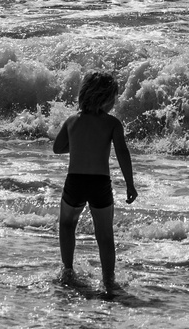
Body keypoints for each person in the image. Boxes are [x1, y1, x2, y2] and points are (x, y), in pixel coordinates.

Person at [53, 72, 137, 295]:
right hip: (100, 183)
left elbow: (58, 148)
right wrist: (130, 184)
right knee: (105, 234)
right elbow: (122, 153)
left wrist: (81, 146)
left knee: (67, 224)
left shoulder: (72, 121)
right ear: (106, 98)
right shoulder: (112, 124)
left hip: (75, 181)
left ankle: (68, 270)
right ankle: (108, 281)